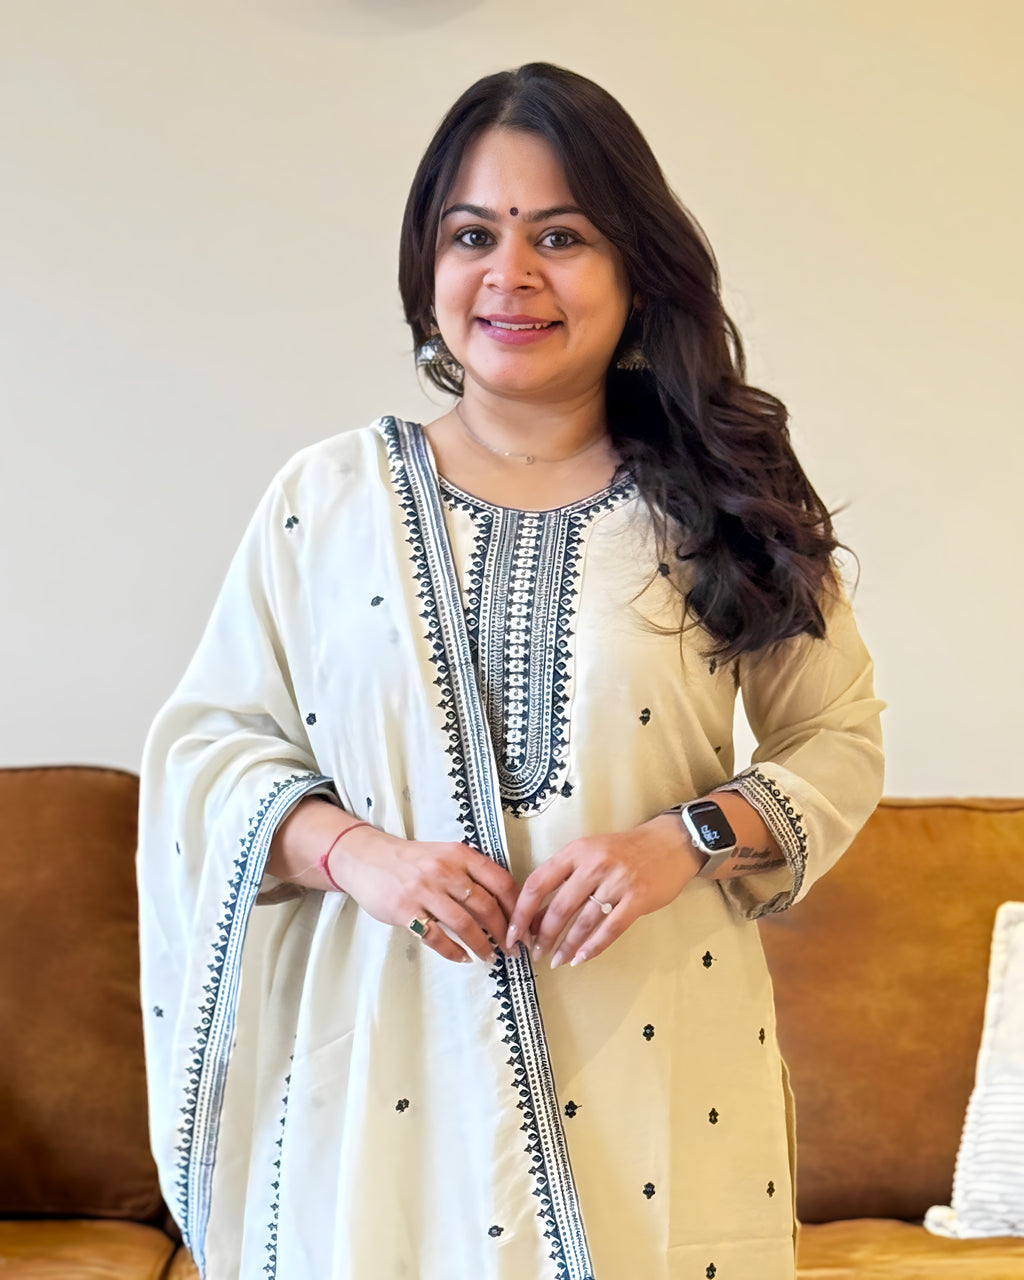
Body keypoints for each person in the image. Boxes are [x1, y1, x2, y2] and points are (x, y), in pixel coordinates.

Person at [138, 62, 884, 1280]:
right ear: (427, 269)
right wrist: (359, 852)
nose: (511, 274)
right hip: (378, 1064)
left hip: (656, 1068)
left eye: (563, 236)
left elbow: (838, 739)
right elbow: (203, 755)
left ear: (633, 267)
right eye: (472, 234)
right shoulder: (324, 501)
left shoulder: (723, 500)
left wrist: (680, 837)